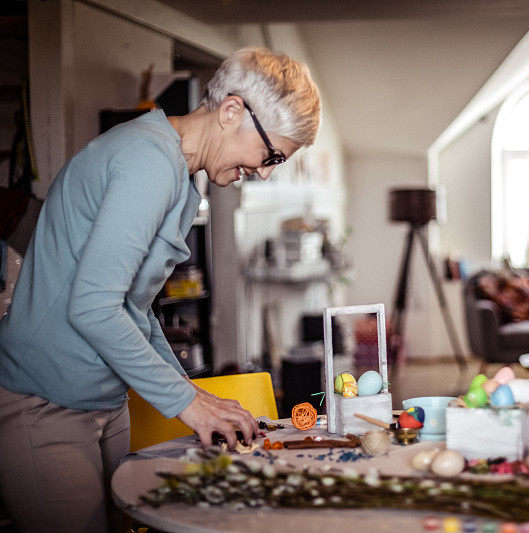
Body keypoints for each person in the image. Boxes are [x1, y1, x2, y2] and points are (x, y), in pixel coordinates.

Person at [0, 47, 320, 532]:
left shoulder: (179, 174)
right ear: (233, 110)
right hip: (45, 401)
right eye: (271, 154)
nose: (266, 172)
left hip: (102, 400)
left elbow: (133, 308)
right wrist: (186, 402)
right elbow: (92, 308)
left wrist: (189, 390)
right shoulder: (147, 161)